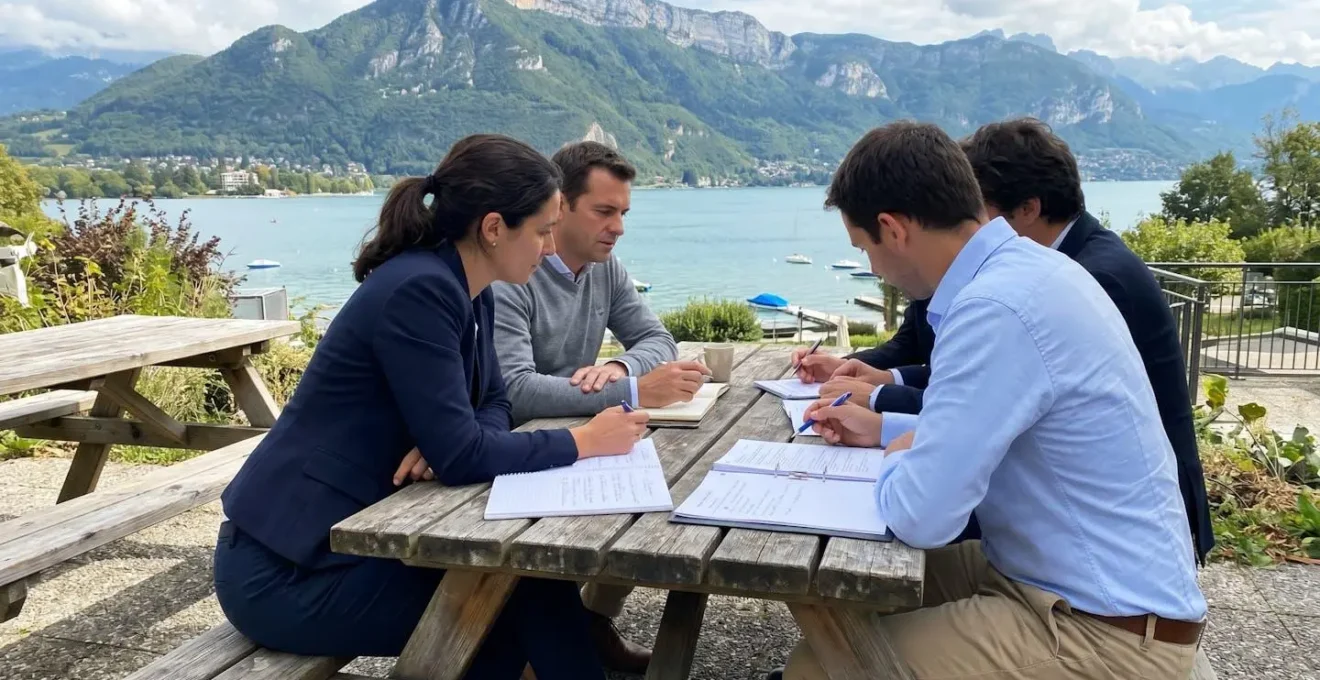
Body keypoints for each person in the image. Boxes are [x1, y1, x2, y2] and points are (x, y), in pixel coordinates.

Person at [777, 121, 1207, 679]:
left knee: (817, 666)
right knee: (856, 589)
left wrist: (899, 453)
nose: (873, 269)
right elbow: (983, 426)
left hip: (1106, 632)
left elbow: (924, 515)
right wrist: (893, 434)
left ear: (892, 228)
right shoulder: (1032, 271)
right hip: (1077, 582)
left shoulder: (994, 308)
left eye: (864, 249)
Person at [213, 134, 651, 680]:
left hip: (343, 540)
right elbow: (465, 453)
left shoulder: (471, 288)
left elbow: (492, 400)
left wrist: (454, 438)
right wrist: (582, 441)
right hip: (285, 571)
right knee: (499, 614)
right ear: (493, 228)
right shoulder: (418, 291)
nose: (546, 247)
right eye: (541, 231)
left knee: (533, 581)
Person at [491, 140, 703, 673]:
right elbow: (514, 390)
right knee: (642, 504)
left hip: (581, 445)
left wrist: (620, 367)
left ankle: (589, 623)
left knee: (658, 491)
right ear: (559, 206)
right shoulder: (511, 275)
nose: (618, 226)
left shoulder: (606, 269)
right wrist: (632, 392)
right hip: (512, 457)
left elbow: (658, 339)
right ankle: (567, 634)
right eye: (604, 211)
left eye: (623, 213)